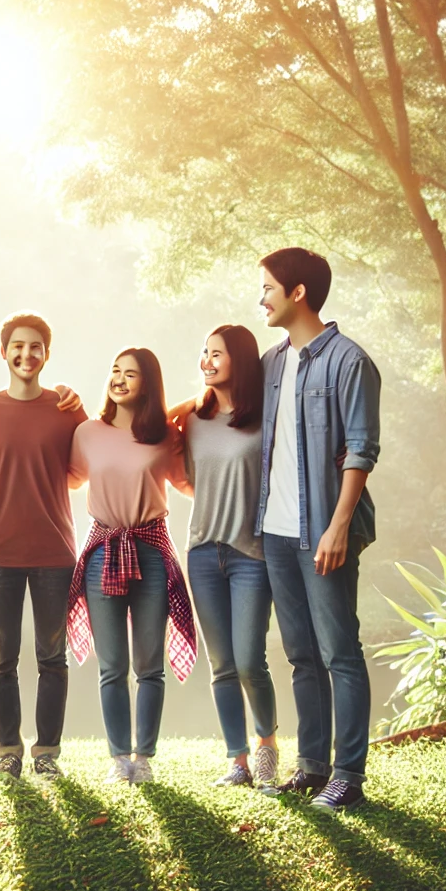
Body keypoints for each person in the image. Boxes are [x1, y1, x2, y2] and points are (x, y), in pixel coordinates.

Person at [254, 247, 381, 813]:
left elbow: (361, 451)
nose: (261, 298)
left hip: (325, 532)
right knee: (300, 653)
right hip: (275, 532)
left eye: (267, 288)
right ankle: (311, 766)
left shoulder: (350, 362)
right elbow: (224, 403)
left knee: (340, 652)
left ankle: (348, 775)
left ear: (297, 292)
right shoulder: (272, 362)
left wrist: (338, 527)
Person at [67, 348, 196, 785]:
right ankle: (119, 757)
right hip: (103, 548)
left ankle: (145, 758)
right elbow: (64, 477)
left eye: (131, 374)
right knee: (112, 666)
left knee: (149, 665)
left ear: (149, 383)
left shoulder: (164, 436)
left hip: (152, 550)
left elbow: (188, 484)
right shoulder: (87, 432)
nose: (119, 380)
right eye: (115, 371)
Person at [0, 312, 86, 780]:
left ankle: (46, 754)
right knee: (2, 659)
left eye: (35, 347)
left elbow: (83, 470)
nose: (26, 355)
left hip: (55, 552)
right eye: (18, 346)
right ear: (4, 352)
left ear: (47, 355)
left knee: (52, 659)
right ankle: (8, 752)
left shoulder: (65, 409)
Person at [178, 325, 279, 790]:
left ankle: (267, 744)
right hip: (202, 551)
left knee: (248, 660)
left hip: (250, 554)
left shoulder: (264, 418)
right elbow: (140, 426)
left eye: (217, 353)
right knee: (220, 664)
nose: (207, 360)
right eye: (204, 352)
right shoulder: (192, 420)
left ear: (239, 359)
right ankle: (236, 761)